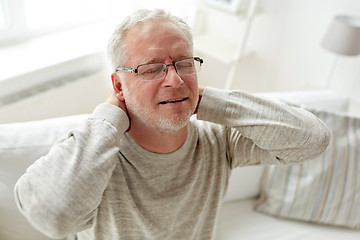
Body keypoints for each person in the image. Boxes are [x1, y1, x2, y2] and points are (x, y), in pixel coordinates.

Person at [14, 8, 330, 240]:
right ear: (119, 86)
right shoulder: (92, 150)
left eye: (185, 64)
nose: (176, 79)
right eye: (152, 68)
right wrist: (110, 116)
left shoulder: (217, 141)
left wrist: (202, 99)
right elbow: (52, 218)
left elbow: (313, 139)